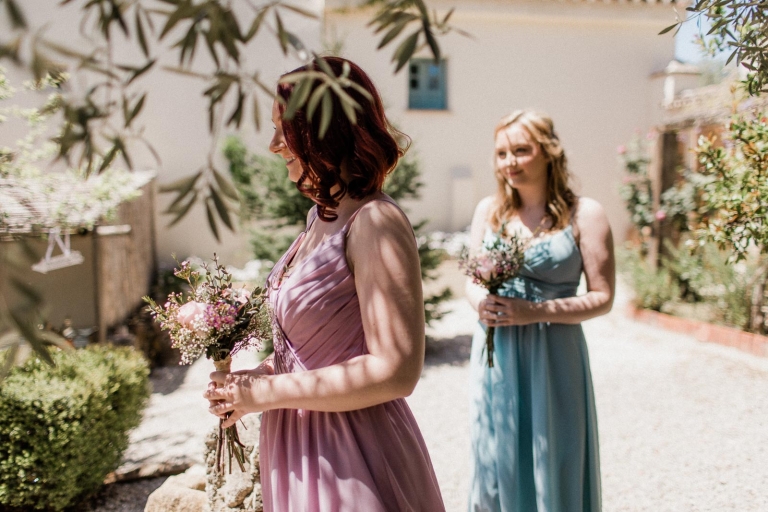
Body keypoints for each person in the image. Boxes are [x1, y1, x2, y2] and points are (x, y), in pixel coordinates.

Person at [204, 56, 445, 512]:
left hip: (352, 452)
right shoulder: (319, 217)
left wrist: (264, 394)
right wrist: (252, 380)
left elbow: (397, 370)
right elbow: (316, 356)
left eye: (284, 128)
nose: (274, 145)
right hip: (294, 444)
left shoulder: (376, 221)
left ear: (325, 131)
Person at [465, 110, 614, 512]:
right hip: (498, 354)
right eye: (501, 153)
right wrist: (480, 302)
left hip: (556, 354)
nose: (509, 162)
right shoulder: (488, 212)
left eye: (520, 150)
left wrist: (535, 311)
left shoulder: (586, 214)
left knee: (557, 451)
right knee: (496, 456)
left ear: (548, 152)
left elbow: (603, 296)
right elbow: (471, 280)